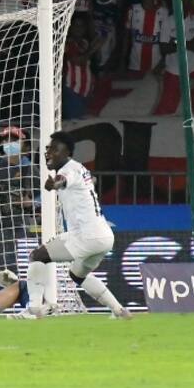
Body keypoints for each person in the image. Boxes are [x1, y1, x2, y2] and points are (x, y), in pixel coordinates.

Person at [26, 132, 131, 319]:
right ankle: (119, 310)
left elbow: (64, 180)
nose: (49, 153)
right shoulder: (80, 169)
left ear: (67, 153)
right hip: (104, 237)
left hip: (86, 235)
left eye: (55, 149)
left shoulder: (69, 170)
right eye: (48, 149)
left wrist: (55, 184)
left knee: (37, 256)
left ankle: (33, 310)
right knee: (77, 275)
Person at [0, 126, 38, 275]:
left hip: (18, 220)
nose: (9, 144)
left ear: (24, 145)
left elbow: (43, 194)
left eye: (14, 140)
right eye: (6, 140)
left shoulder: (29, 168)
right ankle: (2, 283)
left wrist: (31, 201)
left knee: (11, 256)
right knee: (0, 254)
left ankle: (12, 283)